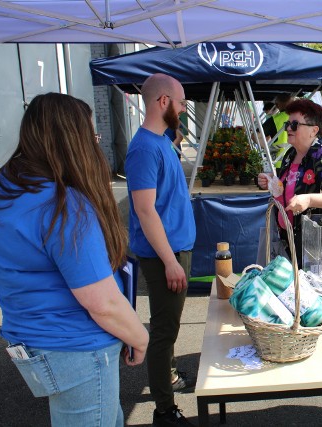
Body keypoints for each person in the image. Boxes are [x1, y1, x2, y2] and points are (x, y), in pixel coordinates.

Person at [0, 93, 149, 426]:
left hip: (32, 339)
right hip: (78, 346)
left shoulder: (6, 188)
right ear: (73, 140)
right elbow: (102, 302)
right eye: (91, 135)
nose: (95, 142)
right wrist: (140, 336)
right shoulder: (64, 205)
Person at [125, 73, 197, 427]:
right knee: (164, 330)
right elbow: (144, 209)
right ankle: (164, 411)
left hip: (173, 249)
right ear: (163, 102)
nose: (183, 109)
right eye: (181, 103)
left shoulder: (159, 141)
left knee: (168, 326)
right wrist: (170, 261)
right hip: (163, 255)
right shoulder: (143, 148)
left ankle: (166, 379)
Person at [257, 99, 322, 265]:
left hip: (319, 249)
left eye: (294, 124)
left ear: (313, 130)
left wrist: (309, 199)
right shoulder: (290, 155)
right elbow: (287, 189)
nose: (288, 128)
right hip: (290, 244)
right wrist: (272, 182)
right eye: (287, 124)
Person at [263, 93, 294, 168]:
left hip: (279, 163)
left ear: (277, 105)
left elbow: (255, 136)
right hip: (297, 162)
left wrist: (266, 148)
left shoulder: (273, 120)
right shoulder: (302, 117)